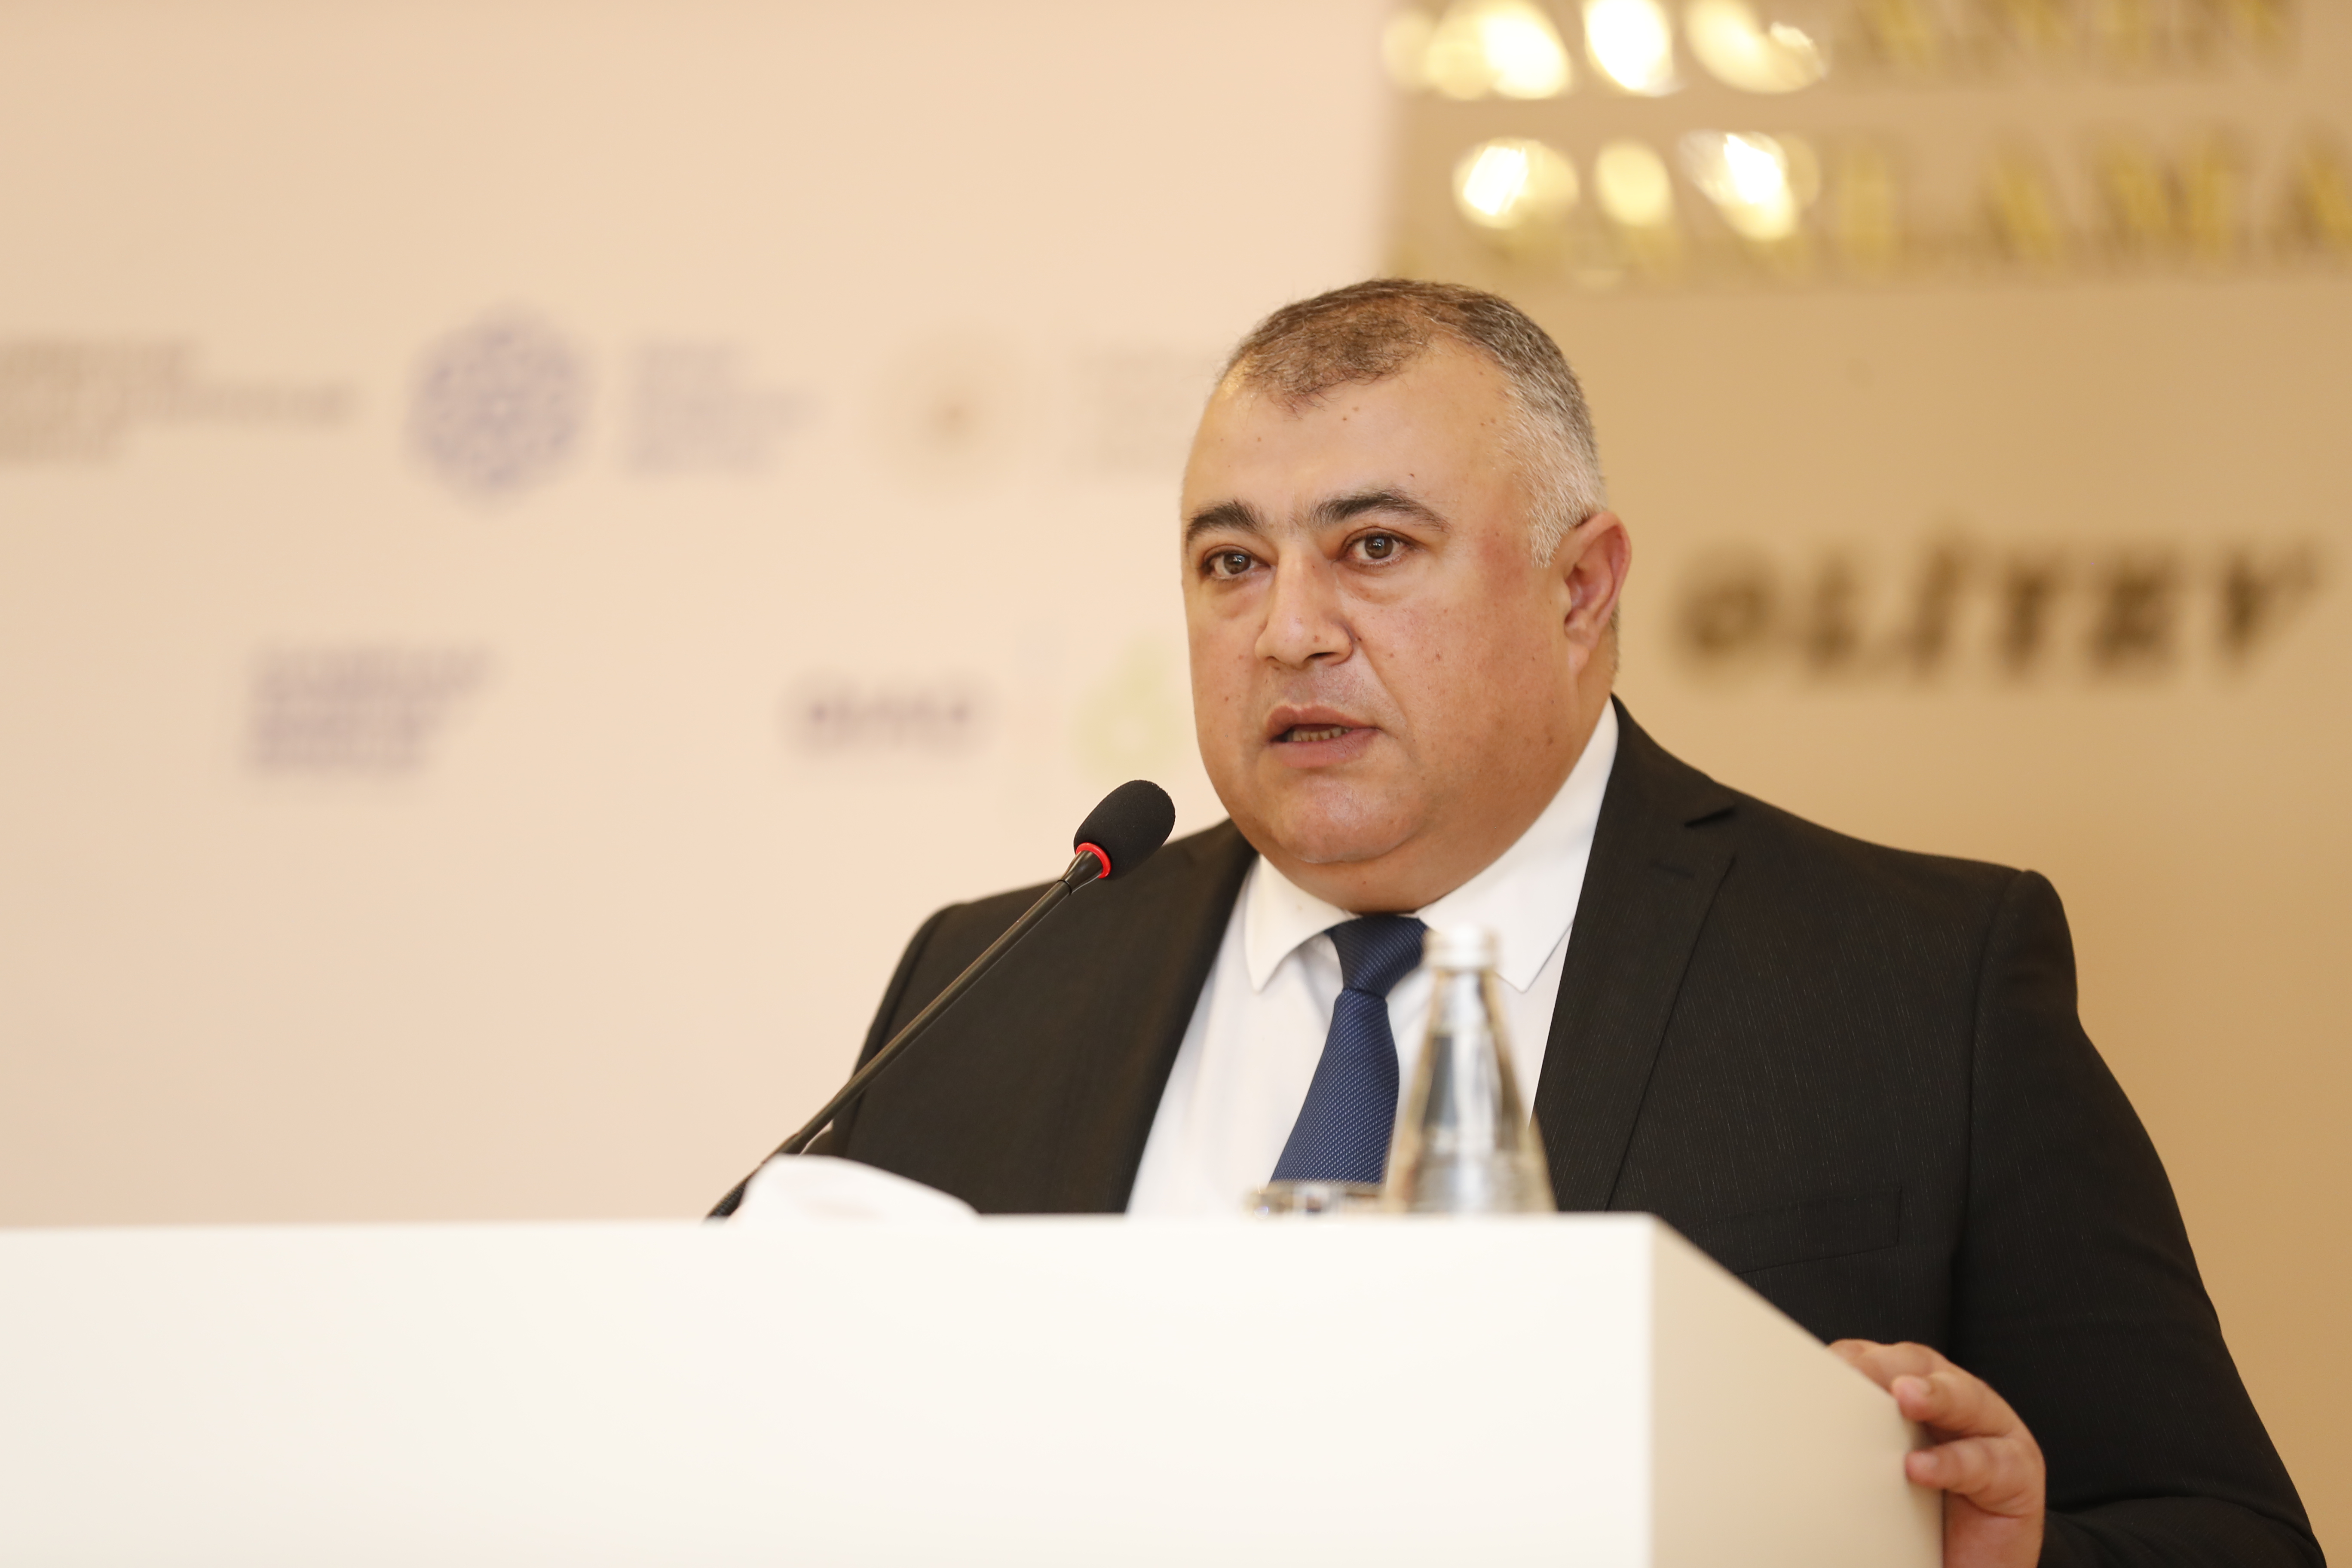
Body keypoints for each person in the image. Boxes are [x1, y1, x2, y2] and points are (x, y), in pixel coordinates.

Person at [750, 280, 2320, 1568]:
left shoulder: (1916, 982)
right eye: (1232, 562)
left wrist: (2007, 1563)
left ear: (1582, 592)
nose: (1288, 629)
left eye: (1374, 548)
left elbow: (2223, 1534)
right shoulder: (991, 984)